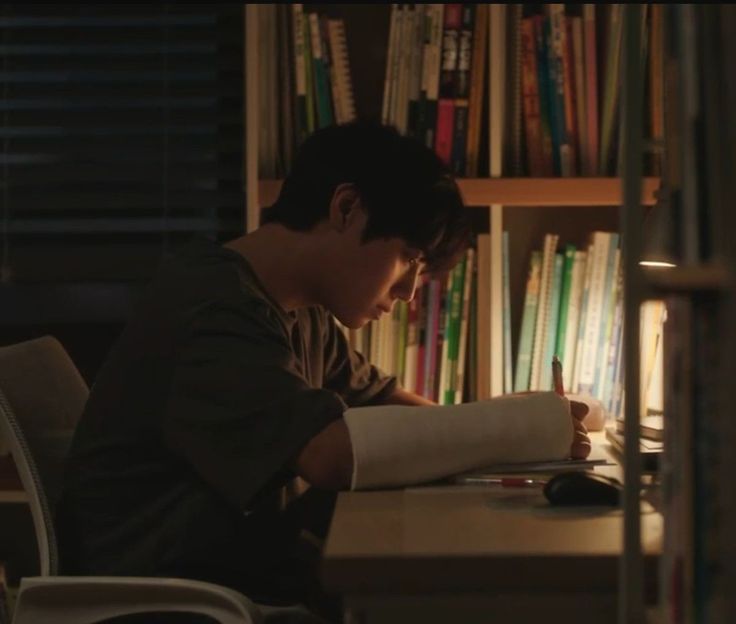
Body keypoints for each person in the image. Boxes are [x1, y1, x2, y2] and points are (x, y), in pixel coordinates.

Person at [56, 121, 590, 623]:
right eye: (408, 257)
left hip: (234, 579)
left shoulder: (302, 310)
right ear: (346, 207)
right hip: (172, 601)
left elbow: (383, 402)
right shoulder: (213, 308)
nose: (408, 292)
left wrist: (523, 423)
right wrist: (519, 428)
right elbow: (331, 455)